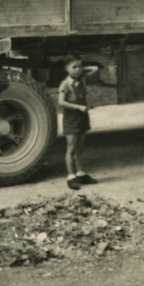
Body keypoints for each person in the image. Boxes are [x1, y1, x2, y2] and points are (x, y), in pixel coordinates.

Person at [58, 55, 100, 189]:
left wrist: (81, 68)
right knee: (71, 148)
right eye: (74, 67)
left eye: (79, 67)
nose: (78, 70)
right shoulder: (65, 84)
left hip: (82, 117)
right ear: (66, 69)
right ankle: (71, 177)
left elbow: (95, 69)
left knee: (80, 148)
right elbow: (61, 102)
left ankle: (81, 174)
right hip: (71, 118)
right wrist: (77, 107)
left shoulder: (82, 80)